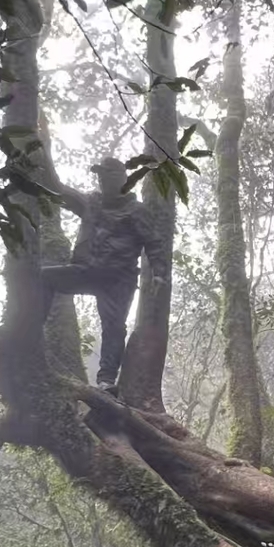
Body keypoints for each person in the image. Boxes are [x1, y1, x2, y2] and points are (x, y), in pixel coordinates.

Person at [39, 156, 170, 392]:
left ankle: (106, 380)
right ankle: (34, 335)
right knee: (43, 277)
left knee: (114, 327)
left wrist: (159, 273)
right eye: (99, 176)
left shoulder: (136, 210)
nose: (101, 181)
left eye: (106, 175)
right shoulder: (91, 202)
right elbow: (60, 190)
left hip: (118, 279)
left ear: (121, 179)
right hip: (86, 271)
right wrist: (40, 159)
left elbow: (154, 243)